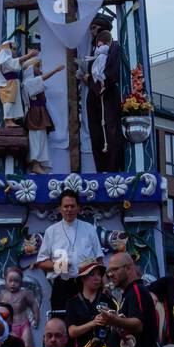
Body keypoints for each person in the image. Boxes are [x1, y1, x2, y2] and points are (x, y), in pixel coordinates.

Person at [34, 191, 103, 313]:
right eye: (66, 206)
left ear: (78, 208)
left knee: (89, 320)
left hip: (87, 284)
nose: (69, 209)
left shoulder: (89, 229)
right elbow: (41, 262)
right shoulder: (51, 231)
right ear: (60, 209)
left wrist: (104, 284)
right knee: (62, 322)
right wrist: (61, 266)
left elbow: (99, 259)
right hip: (62, 285)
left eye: (72, 206)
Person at [101, 251, 159, 347]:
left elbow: (138, 324)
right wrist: (115, 319)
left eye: (114, 269)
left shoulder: (137, 290)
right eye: (109, 271)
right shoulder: (128, 293)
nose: (110, 275)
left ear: (128, 268)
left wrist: (113, 319)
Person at [65, 259, 115, 347]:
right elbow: (72, 332)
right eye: (92, 274)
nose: (98, 278)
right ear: (83, 278)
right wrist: (93, 323)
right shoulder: (72, 302)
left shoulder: (108, 300)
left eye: (99, 274)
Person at [82, 28, 123, 172]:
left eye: (94, 28)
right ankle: (101, 167)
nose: (99, 49)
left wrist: (104, 83)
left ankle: (113, 167)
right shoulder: (95, 54)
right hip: (95, 97)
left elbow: (113, 71)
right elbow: (90, 74)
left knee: (111, 130)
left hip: (108, 95)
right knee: (96, 132)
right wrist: (93, 83)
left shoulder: (115, 48)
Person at [23, 58, 64, 173]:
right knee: (36, 138)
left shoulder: (31, 82)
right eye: (37, 67)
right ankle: (36, 164)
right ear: (30, 69)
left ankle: (39, 163)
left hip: (39, 112)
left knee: (40, 138)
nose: (39, 69)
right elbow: (42, 78)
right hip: (35, 114)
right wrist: (56, 70)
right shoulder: (29, 82)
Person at [0, 265, 39, 347]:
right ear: (5, 280)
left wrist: (36, 318)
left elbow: (33, 304)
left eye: (16, 281)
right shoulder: (2, 294)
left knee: (27, 346)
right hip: (9, 326)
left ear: (21, 281)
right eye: (10, 281)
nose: (13, 284)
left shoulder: (24, 293)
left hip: (23, 324)